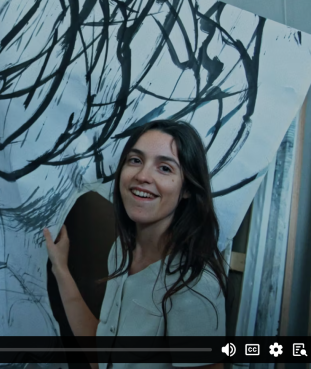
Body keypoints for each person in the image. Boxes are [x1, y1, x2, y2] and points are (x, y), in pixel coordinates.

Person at [44, 120, 228, 369]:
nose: (142, 176)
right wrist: (60, 269)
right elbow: (101, 355)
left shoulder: (194, 285)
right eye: (135, 160)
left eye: (165, 168)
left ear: (187, 189)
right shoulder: (121, 250)